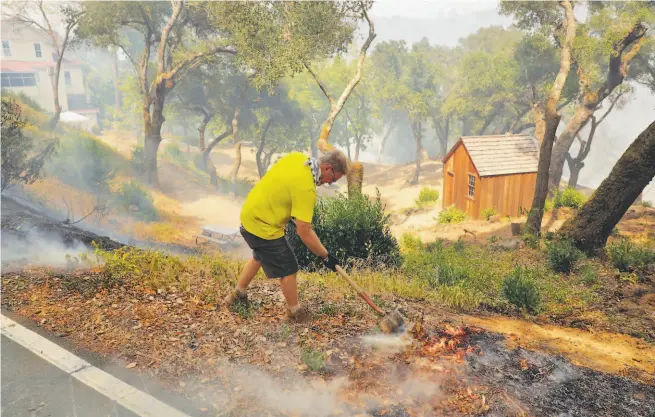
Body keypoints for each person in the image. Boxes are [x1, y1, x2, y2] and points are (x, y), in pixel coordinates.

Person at [223, 149, 349, 323]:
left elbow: (281, 185)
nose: (329, 183)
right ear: (327, 168)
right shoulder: (306, 188)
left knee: (260, 255)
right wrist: (325, 256)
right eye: (333, 179)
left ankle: (237, 295)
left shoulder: (297, 158)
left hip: (250, 213)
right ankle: (295, 313)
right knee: (288, 268)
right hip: (262, 224)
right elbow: (304, 230)